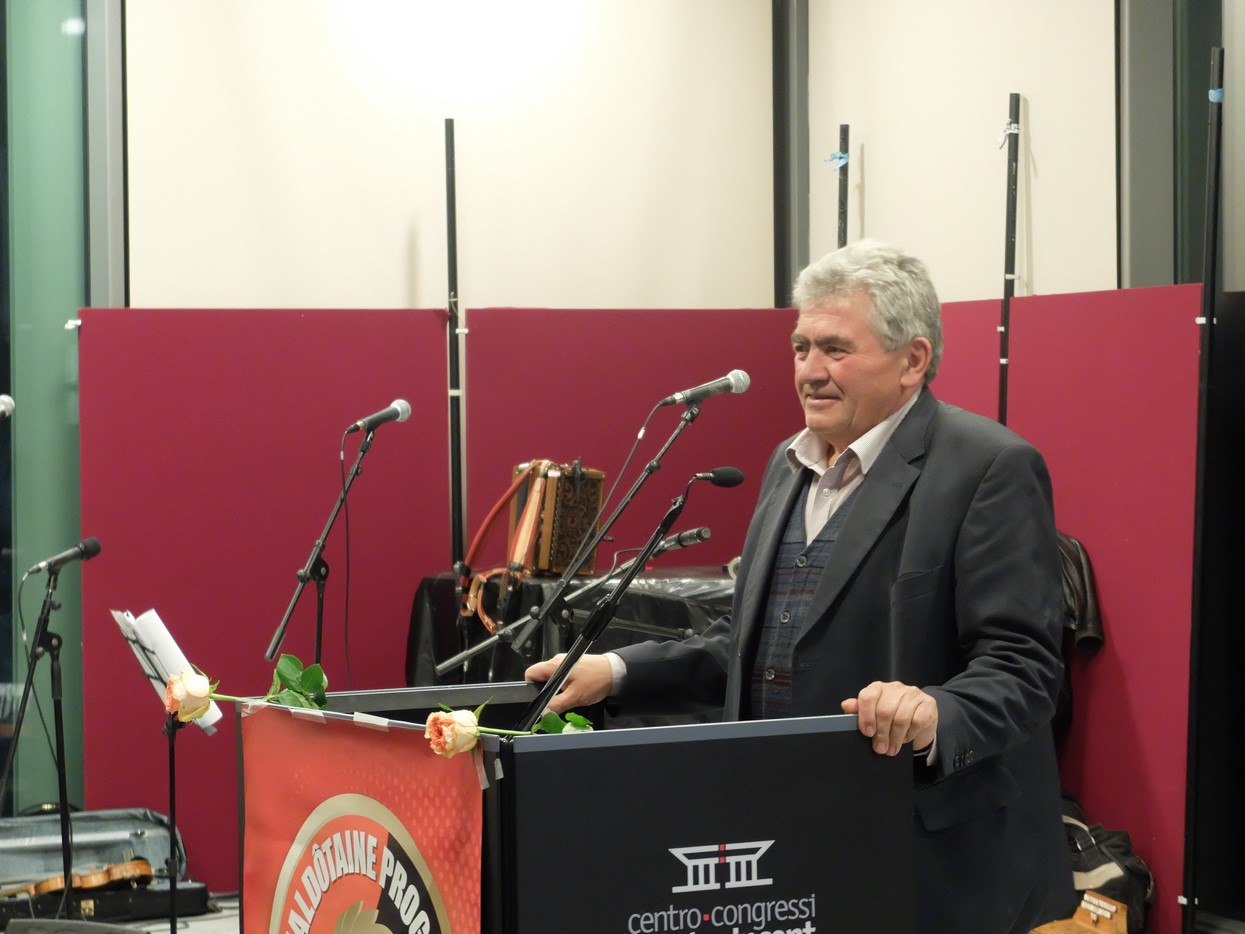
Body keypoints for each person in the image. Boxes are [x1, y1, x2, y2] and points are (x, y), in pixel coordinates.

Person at [525, 239, 1077, 934]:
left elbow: (1024, 668)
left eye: (835, 350)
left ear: (913, 360)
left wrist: (935, 711)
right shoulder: (785, 466)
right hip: (789, 839)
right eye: (800, 348)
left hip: (926, 855)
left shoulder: (988, 467)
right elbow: (759, 646)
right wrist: (615, 672)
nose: (810, 372)